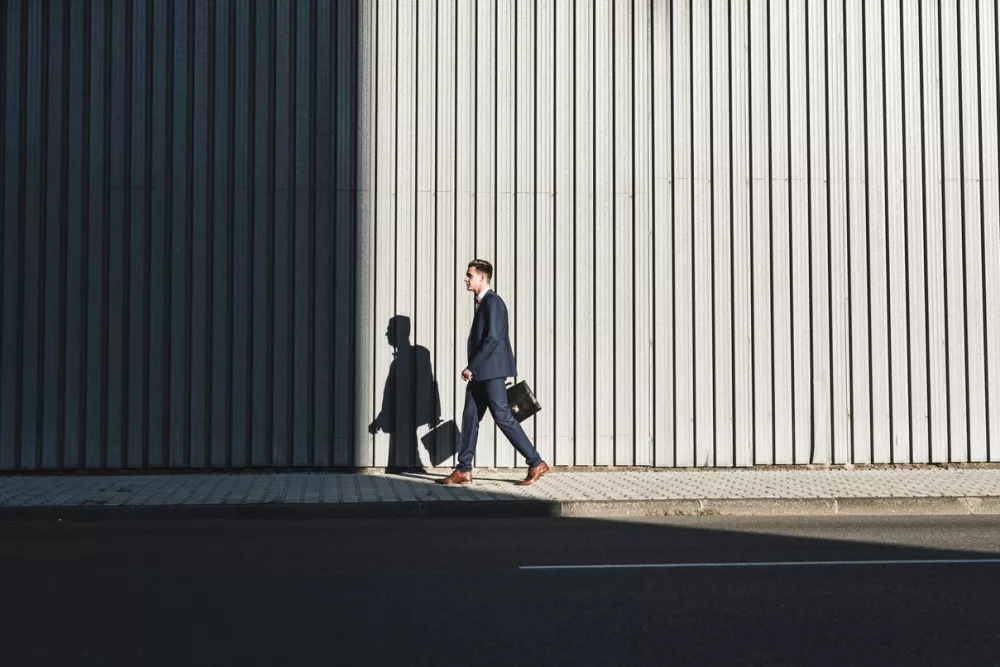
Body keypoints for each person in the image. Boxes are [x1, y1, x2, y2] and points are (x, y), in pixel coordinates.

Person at [437, 259, 550, 486]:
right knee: (470, 416)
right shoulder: (484, 303)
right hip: (482, 372)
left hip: (490, 371)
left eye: (469, 275)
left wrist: (472, 367)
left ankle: (536, 462)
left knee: (503, 417)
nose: (466, 279)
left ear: (482, 277)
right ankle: (464, 469)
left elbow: (493, 338)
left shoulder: (493, 303)